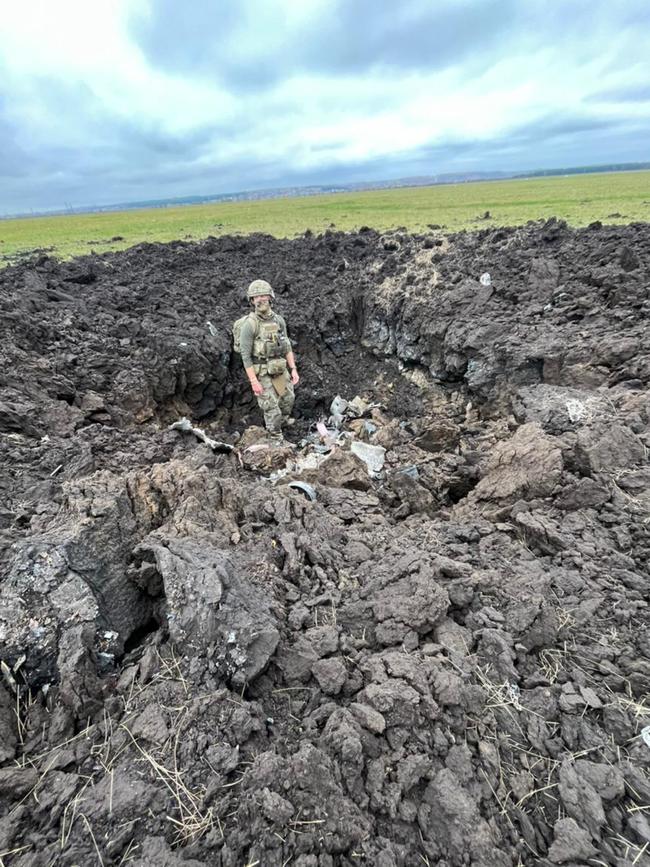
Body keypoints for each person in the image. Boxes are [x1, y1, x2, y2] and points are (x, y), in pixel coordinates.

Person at [239, 279, 299, 437]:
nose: (260, 299)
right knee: (271, 408)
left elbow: (287, 346)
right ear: (252, 301)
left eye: (263, 295)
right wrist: (254, 381)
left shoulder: (279, 320)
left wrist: (293, 369)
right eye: (256, 297)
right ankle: (275, 436)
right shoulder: (250, 325)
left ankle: (284, 424)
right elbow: (245, 356)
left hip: (279, 368)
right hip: (262, 371)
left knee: (288, 399)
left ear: (270, 296)